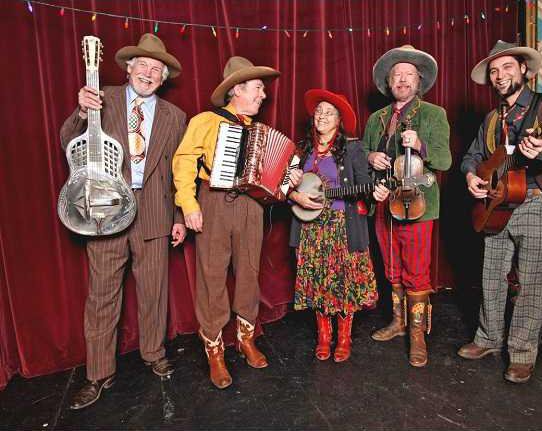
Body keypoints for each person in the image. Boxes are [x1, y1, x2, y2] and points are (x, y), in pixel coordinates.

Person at [60, 33, 187, 409]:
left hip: (154, 211)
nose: (148, 73)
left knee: (154, 291)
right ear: (129, 68)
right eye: (142, 65)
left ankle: (153, 353)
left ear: (163, 78)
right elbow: (68, 141)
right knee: (102, 294)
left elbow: (179, 172)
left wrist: (179, 216)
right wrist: (81, 112)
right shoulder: (102, 99)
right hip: (106, 208)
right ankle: (98, 373)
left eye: (156, 69)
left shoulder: (175, 117)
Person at [458, 40, 542, 384]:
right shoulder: (492, 118)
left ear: (524, 69)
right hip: (496, 204)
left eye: (507, 67)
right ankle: (488, 338)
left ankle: (522, 354)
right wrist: (471, 177)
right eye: (494, 71)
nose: (500, 75)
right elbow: (472, 156)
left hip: (535, 202)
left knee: (529, 283)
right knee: (491, 276)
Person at [172, 56, 290, 389]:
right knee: (212, 275)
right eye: (258, 88)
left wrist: (286, 179)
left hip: (251, 206)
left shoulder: (258, 131)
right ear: (237, 89)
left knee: (250, 272)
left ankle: (246, 337)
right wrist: (189, 204)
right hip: (214, 202)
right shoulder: (206, 121)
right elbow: (184, 162)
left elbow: (272, 177)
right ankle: (214, 348)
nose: (263, 95)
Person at [363, 45, 451, 367]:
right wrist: (371, 156)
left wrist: (421, 145)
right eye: (396, 75)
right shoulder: (376, 119)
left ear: (419, 81)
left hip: (417, 206)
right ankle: (398, 322)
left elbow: (444, 161)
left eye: (408, 74)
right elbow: (361, 157)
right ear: (389, 83)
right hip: (383, 204)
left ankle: (417, 334)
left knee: (416, 271)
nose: (402, 79)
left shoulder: (433, 114)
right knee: (391, 268)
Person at [289, 89, 383, 362]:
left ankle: (343, 337)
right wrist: (294, 193)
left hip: (342, 226)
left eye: (329, 112)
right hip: (309, 228)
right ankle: (323, 336)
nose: (322, 116)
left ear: (339, 120)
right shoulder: (302, 149)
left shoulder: (352, 149)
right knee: (317, 282)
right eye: (319, 111)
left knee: (344, 282)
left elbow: (364, 185)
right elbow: (282, 186)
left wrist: (375, 192)